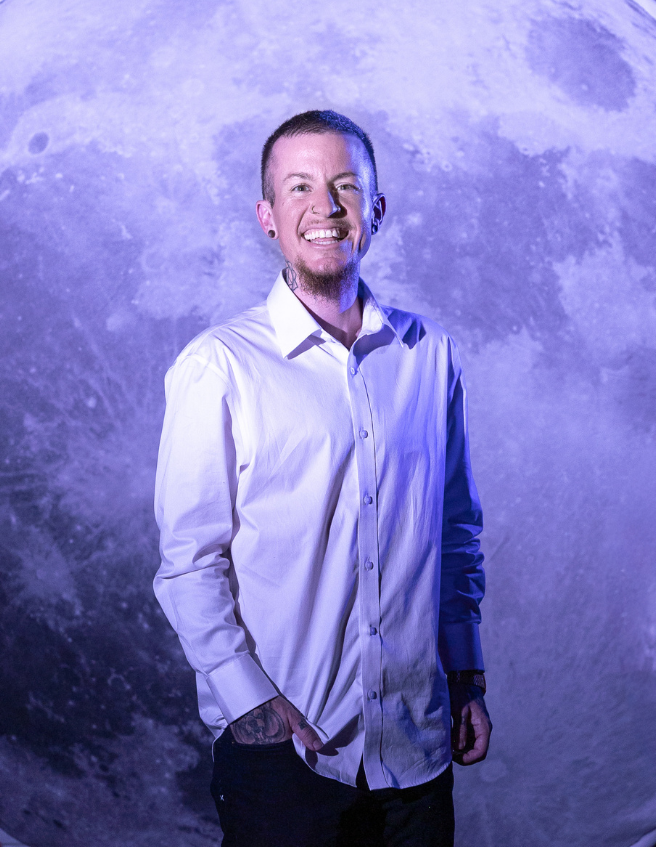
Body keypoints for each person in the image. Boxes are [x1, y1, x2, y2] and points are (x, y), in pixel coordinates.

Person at [154, 109, 491, 847]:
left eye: (347, 185)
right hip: (285, 757)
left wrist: (466, 675)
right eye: (300, 186)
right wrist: (251, 705)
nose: (326, 207)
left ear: (377, 209)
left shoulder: (430, 355)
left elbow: (456, 532)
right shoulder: (219, 366)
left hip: (417, 751)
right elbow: (189, 563)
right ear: (268, 216)